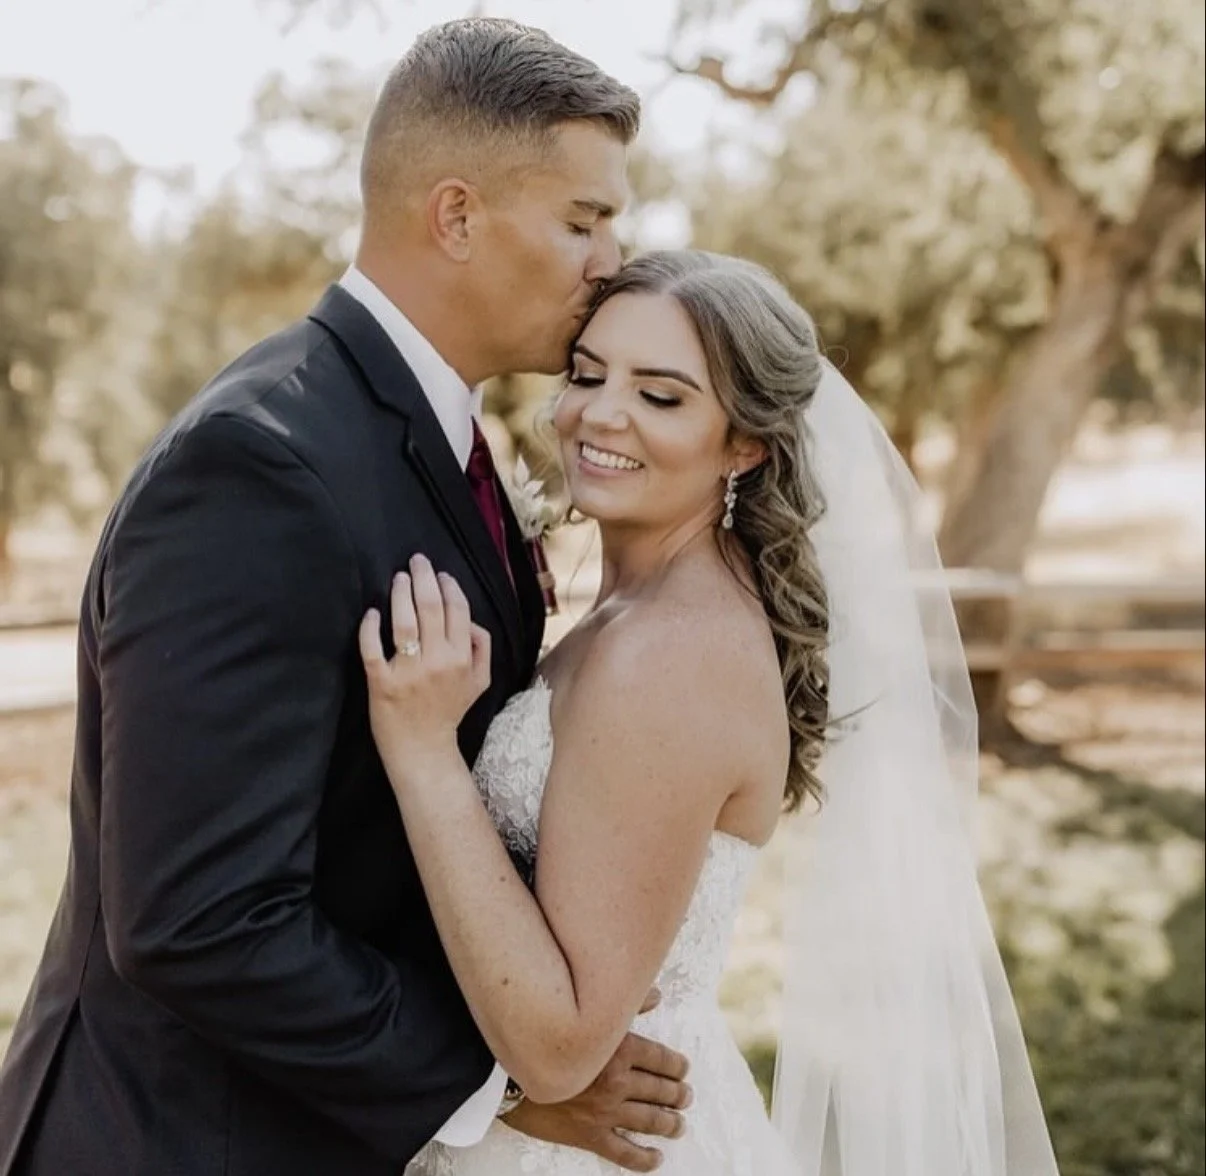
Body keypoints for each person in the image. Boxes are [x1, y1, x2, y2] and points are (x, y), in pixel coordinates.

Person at [0, 20, 694, 1176]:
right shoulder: (257, 464)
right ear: (458, 216)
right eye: (583, 219)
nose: (611, 260)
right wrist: (491, 1084)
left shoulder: (430, 433)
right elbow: (199, 917)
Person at [360, 250, 1063, 1175]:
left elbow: (564, 1046)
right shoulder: (653, 609)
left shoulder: (670, 654)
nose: (601, 413)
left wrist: (422, 756)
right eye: (587, 373)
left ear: (746, 443)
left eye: (662, 395)